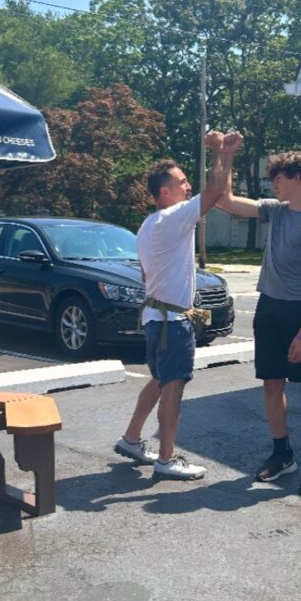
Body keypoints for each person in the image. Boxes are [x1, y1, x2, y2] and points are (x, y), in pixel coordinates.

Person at [114, 131, 242, 480]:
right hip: (172, 323)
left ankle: (130, 438)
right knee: (173, 387)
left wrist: (226, 156)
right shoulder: (173, 218)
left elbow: (146, 276)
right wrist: (220, 152)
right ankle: (166, 459)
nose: (188, 187)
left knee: (159, 379)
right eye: (182, 182)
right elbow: (215, 192)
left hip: (156, 318)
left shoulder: (147, 226)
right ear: (165, 192)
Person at [218, 149, 301, 495]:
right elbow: (226, 201)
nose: (273, 184)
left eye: (278, 178)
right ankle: (282, 454)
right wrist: (225, 155)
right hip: (269, 307)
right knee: (272, 383)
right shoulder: (275, 210)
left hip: (299, 312)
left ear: (297, 178)